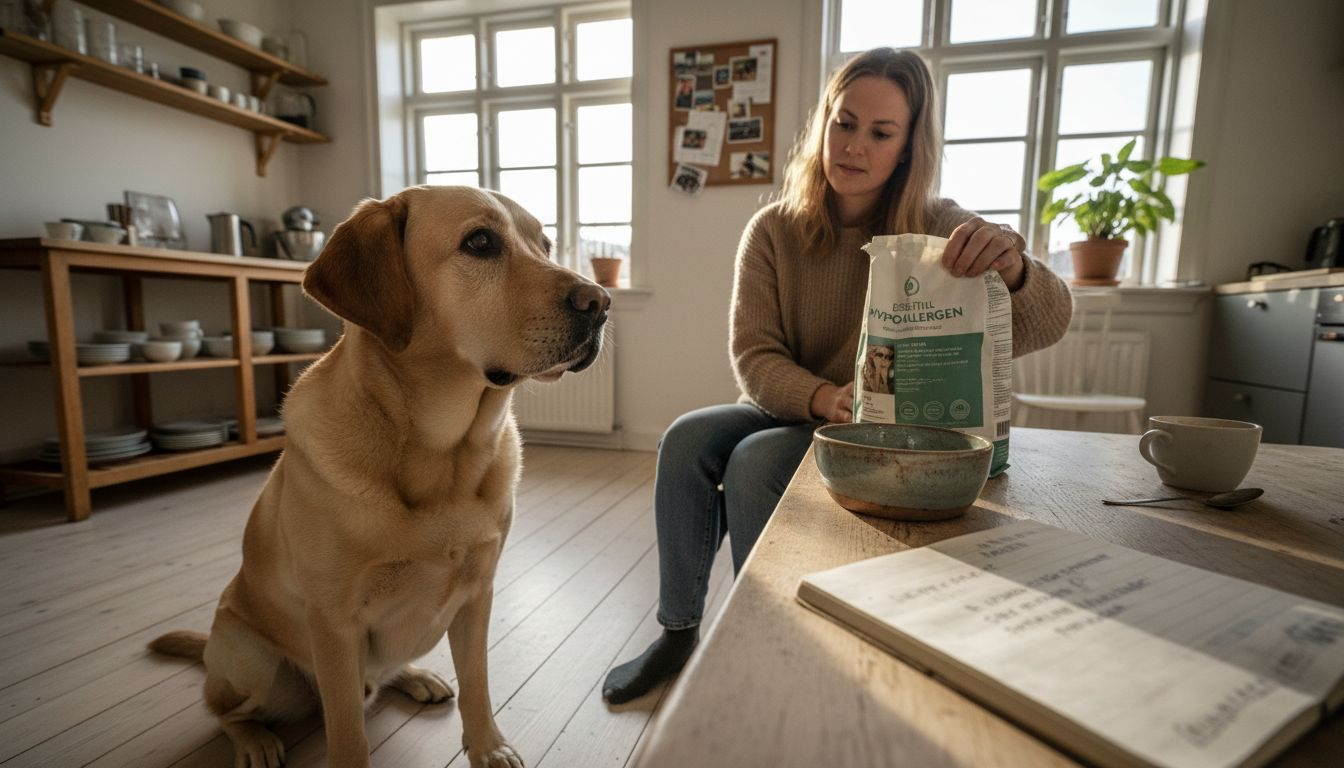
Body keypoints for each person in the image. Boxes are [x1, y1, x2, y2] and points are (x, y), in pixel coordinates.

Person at [601, 48, 1073, 705]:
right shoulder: (772, 230)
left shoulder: (938, 226)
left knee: (753, 461)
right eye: (844, 123)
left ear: (908, 147)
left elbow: (1047, 323)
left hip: (880, 430)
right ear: (824, 122)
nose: (854, 145)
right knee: (684, 438)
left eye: (881, 133)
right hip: (801, 404)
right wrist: (824, 396)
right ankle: (678, 632)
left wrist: (1017, 268)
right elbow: (755, 358)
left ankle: (766, 641)